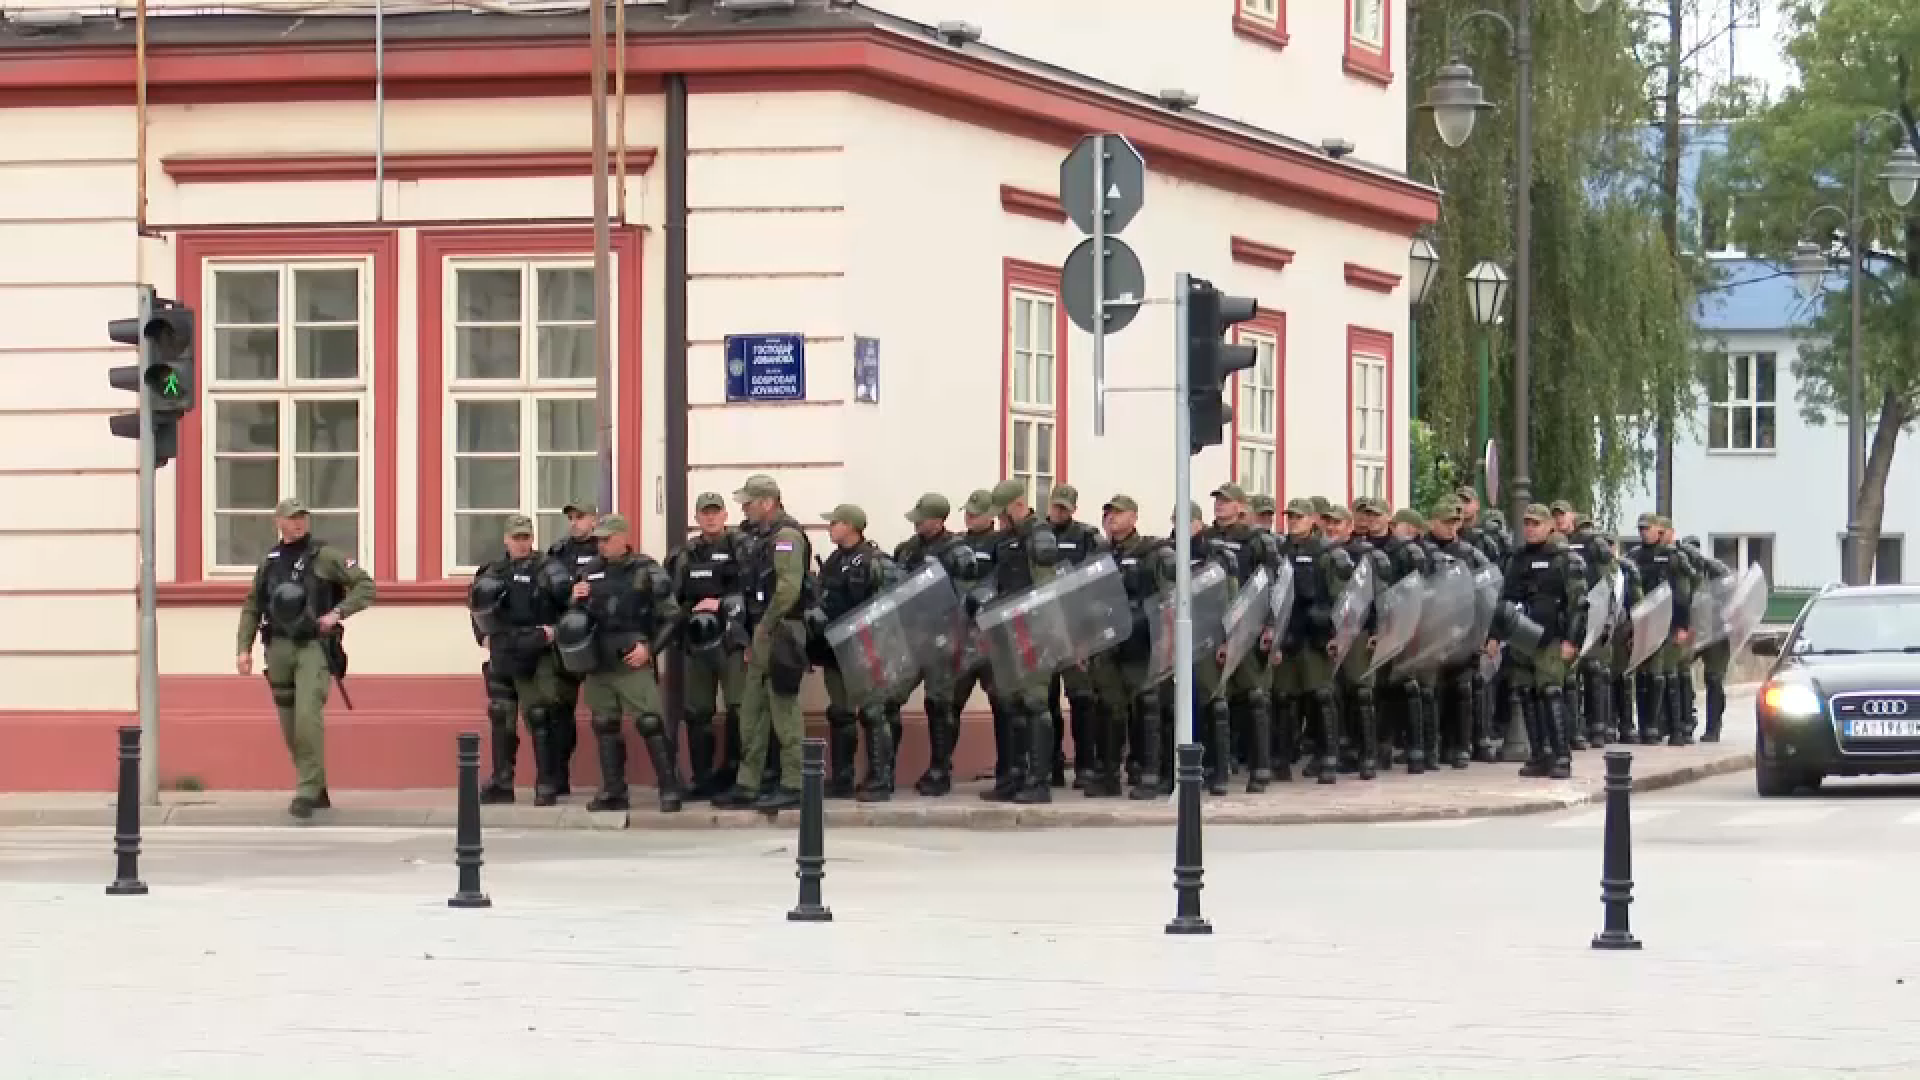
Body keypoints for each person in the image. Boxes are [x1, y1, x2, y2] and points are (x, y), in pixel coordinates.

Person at [234, 497, 376, 819]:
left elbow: (365, 586)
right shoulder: (269, 561)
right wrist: (244, 648)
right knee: (289, 723)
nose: (298, 523)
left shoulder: (324, 557)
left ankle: (307, 791)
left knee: (308, 717)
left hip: (312, 646)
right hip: (278, 648)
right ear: (278, 522)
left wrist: (337, 612)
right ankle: (317, 785)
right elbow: (253, 606)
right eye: (292, 518)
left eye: (302, 518)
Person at [571, 514, 682, 813]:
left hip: (632, 657)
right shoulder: (589, 570)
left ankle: (669, 788)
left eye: (607, 539)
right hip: (598, 659)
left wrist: (651, 649)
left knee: (649, 722)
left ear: (623, 537)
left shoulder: (646, 569)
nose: (602, 545)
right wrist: (574, 598)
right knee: (604, 723)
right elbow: (575, 619)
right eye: (598, 540)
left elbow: (672, 616)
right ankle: (613, 791)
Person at [715, 475, 813, 811]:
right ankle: (748, 782)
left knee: (783, 709)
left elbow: (788, 589)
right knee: (752, 710)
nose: (743, 508)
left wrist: (766, 626)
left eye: (749, 502)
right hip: (762, 631)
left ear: (768, 502)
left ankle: (795, 782)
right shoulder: (759, 537)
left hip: (781, 631)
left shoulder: (786, 537)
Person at [470, 515, 572, 805]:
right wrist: (482, 637)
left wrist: (555, 632)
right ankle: (502, 782)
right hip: (502, 650)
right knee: (501, 716)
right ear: (506, 539)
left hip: (536, 652)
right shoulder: (491, 571)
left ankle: (546, 783)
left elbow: (571, 606)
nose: (522, 543)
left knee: (540, 716)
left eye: (526, 537)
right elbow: (475, 608)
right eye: (517, 538)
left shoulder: (549, 568)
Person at [980, 478, 1062, 804]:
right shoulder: (1006, 540)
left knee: (1035, 703)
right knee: (1011, 704)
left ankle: (1039, 780)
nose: (999, 520)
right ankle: (1014, 776)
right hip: (1008, 631)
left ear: (1017, 505)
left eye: (1002, 513)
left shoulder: (1038, 537)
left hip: (1034, 632)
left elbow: (1046, 589)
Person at [812, 503, 901, 801]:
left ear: (851, 525)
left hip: (866, 649)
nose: (830, 527)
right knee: (840, 713)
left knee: (874, 712)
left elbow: (889, 608)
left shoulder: (876, 561)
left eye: (835, 522)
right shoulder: (835, 560)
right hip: (835, 649)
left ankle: (880, 778)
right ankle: (842, 778)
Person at [891, 492, 977, 795]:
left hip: (943, 638)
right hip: (911, 636)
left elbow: (966, 600)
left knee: (939, 705)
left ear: (939, 520)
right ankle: (885, 769)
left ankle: (940, 769)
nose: (917, 525)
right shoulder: (907, 550)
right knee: (889, 698)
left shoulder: (959, 552)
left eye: (922, 519)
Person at [667, 491, 750, 797]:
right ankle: (702, 779)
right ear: (697, 517)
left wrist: (722, 603)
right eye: (705, 513)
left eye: (716, 512)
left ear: (725, 515)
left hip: (731, 639)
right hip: (696, 641)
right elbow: (671, 599)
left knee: (738, 708)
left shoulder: (741, 546)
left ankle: (736, 774)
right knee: (697, 711)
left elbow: (753, 589)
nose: (711, 517)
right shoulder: (684, 555)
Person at [1496, 504, 1588, 779]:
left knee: (1550, 692)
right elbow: (1504, 601)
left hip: (1552, 637)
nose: (1530, 528)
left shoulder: (1565, 560)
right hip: (1522, 635)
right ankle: (1540, 755)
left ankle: (1562, 755)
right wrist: (1494, 636)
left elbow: (1579, 604)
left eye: (1536, 523)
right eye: (1526, 523)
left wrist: (1573, 640)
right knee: (1525, 693)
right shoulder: (1517, 559)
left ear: (1550, 526)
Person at [1202, 482, 1282, 793]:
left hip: (1249, 624)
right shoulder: (1207, 540)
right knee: (1217, 701)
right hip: (1214, 628)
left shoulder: (1257, 540)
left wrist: (1271, 627)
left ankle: (1260, 769)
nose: (1219, 506)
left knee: (1255, 698)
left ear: (1241, 507)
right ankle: (1219, 770)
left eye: (1226, 502)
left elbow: (1274, 584)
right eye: (1217, 501)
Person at [1087, 494, 1167, 799]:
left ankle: (1149, 773)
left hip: (1140, 642)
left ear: (1134, 517)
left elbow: (1168, 596)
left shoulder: (1152, 552)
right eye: (1108, 513)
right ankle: (1108, 774)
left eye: (1119, 513)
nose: (1112, 518)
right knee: (1109, 709)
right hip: (1107, 643)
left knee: (1147, 708)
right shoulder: (1101, 554)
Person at [1271, 497, 1352, 785]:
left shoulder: (1326, 552)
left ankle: (1328, 755)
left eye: (1298, 517)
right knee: (1283, 697)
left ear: (1312, 521)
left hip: (1315, 634)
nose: (1293, 522)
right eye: (1290, 517)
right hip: (1287, 633)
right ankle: (1281, 757)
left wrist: (1336, 632)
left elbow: (1342, 597)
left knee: (1321, 696)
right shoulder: (1279, 550)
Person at [1045, 485, 1106, 789]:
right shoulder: (1038, 535)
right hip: (1045, 628)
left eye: (1064, 508)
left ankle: (1085, 764)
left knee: (1082, 699)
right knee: (1046, 700)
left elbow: (1095, 582)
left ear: (1073, 509)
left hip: (1076, 627)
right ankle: (1052, 763)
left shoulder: (1087, 537)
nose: (1059, 512)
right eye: (1056, 507)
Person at [545, 501, 602, 797]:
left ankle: (610, 783)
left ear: (594, 519)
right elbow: (546, 595)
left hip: (597, 639)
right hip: (566, 640)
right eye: (571, 518)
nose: (574, 523)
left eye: (580, 517)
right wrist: (568, 595)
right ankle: (559, 776)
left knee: (604, 713)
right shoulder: (557, 553)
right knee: (559, 710)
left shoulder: (605, 549)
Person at [1629, 512, 1693, 745]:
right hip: (1644, 621)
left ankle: (1675, 728)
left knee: (1665, 673)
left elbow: (1683, 593)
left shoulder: (1672, 557)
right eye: (1641, 529)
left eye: (1648, 528)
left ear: (1659, 530)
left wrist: (1682, 625)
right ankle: (1646, 725)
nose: (1644, 533)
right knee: (1643, 674)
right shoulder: (1635, 556)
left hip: (1668, 621)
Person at [1680, 534, 1732, 742]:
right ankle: (1686, 720)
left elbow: (1729, 589)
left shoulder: (1713, 568)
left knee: (1714, 679)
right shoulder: (1684, 572)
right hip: (1694, 630)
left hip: (1717, 633)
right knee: (1681, 671)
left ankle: (1713, 727)